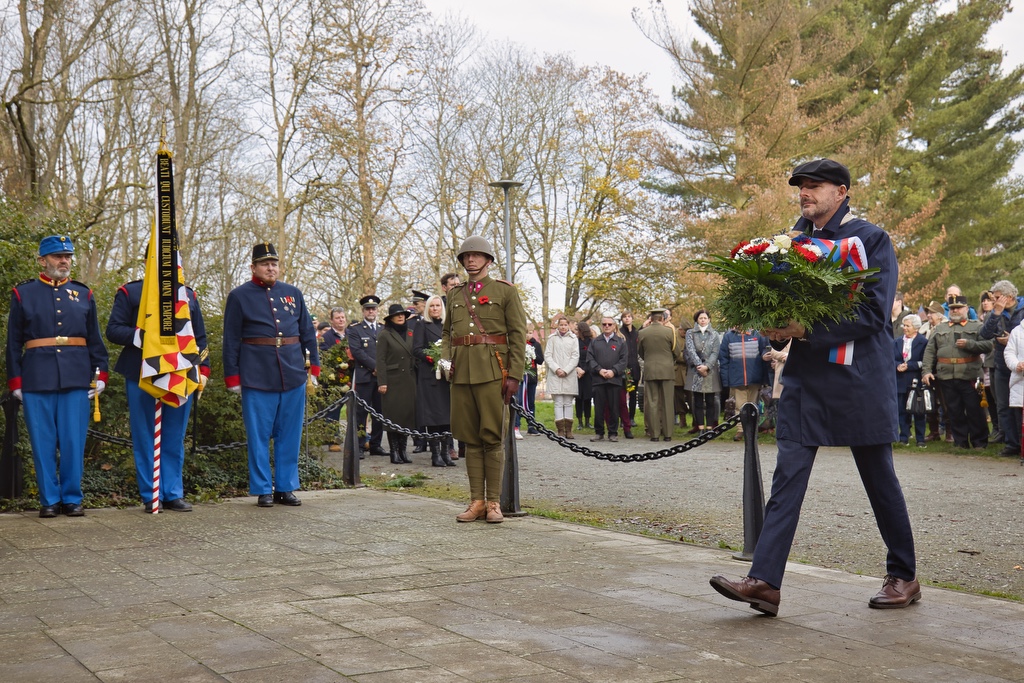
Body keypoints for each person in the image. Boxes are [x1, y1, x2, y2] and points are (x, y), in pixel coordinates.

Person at [710, 158, 919, 616]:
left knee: (878, 478)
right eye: (801, 186)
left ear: (841, 191)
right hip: (807, 380)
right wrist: (776, 328)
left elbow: (872, 315)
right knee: (788, 476)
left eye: (815, 185)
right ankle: (765, 581)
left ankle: (904, 575)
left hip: (859, 378)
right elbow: (782, 308)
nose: (805, 193)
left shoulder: (870, 239)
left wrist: (802, 329)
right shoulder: (790, 243)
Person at [6, 235, 109, 518]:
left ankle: (72, 498)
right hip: (37, 378)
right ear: (42, 260)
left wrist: (100, 375)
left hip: (76, 377)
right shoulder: (23, 294)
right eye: (57, 257)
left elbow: (95, 340)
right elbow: (13, 342)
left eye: (68, 257)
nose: (64, 261)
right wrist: (16, 381)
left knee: (74, 441)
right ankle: (49, 499)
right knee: (43, 443)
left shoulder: (84, 294)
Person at [222, 242, 319, 507]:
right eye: (265, 264)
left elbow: (307, 333)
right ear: (253, 267)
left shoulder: (292, 293)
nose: (270, 268)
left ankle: (285, 487)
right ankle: (263, 488)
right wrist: (232, 376)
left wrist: (314, 369)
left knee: (289, 434)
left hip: (292, 373)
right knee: (259, 434)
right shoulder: (240, 296)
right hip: (256, 374)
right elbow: (230, 339)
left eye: (274, 263)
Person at [106, 274, 210, 512]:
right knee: (145, 436)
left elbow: (199, 337)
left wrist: (204, 368)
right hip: (142, 372)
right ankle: (151, 494)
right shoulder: (131, 293)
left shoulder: (188, 295)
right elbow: (113, 330)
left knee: (174, 436)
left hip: (181, 372)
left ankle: (173, 493)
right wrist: (141, 336)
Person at [441, 236, 527, 524]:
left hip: (493, 371)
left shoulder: (505, 292)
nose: (471, 260)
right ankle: (476, 501)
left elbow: (517, 334)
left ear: (488, 260)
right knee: (469, 438)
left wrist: (514, 374)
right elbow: (446, 333)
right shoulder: (455, 294)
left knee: (492, 437)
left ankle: (493, 503)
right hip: (461, 373)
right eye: (466, 256)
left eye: (477, 256)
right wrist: (445, 361)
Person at [921, 296, 992, 450]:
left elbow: (988, 345)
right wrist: (926, 371)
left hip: (970, 375)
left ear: (967, 309)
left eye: (958, 307)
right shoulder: (940, 328)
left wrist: (970, 344)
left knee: (974, 410)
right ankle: (960, 442)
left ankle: (979, 442)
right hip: (946, 376)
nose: (955, 310)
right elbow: (929, 352)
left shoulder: (977, 326)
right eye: (952, 308)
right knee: (953, 411)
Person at [979, 280, 1024, 457]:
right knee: (1003, 405)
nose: (994, 300)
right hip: (1000, 363)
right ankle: (1011, 443)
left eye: (997, 297)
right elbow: (984, 334)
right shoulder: (997, 312)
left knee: (1019, 405)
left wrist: (1011, 339)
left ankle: (1021, 443)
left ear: (1009, 297)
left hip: (1020, 365)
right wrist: (996, 312)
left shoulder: (1021, 310)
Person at [413, 295, 456, 467]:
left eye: (438, 306)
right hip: (431, 377)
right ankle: (435, 454)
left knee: (447, 417)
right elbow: (416, 349)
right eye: (432, 306)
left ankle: (446, 453)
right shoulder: (421, 325)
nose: (435, 309)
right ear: (427, 309)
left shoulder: (448, 326)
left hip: (447, 377)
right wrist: (432, 356)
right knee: (433, 417)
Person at [376, 304, 417, 465]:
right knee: (394, 417)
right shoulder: (385, 334)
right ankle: (394, 452)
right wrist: (382, 382)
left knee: (406, 416)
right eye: (397, 315)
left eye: (402, 315)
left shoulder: (411, 332)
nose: (400, 317)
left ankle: (403, 450)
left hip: (409, 379)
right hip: (392, 380)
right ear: (390, 318)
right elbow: (380, 360)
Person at [347, 294, 388, 455]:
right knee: (361, 412)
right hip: (365, 376)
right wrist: (375, 366)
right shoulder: (355, 329)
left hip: (381, 378)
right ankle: (359, 445)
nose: (371, 311)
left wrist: (381, 369)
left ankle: (376, 444)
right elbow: (357, 351)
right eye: (368, 309)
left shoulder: (383, 329)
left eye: (373, 308)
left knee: (379, 412)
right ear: (363, 311)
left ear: (378, 310)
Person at [718, 327, 770, 441]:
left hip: (755, 377)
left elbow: (764, 351)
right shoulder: (728, 336)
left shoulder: (757, 335)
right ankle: (741, 430)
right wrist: (726, 380)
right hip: (737, 377)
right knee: (739, 406)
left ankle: (752, 430)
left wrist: (764, 378)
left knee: (753, 406)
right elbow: (724, 359)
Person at [638, 308, 679, 441]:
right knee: (667, 402)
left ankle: (654, 434)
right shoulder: (669, 332)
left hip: (650, 369)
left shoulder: (643, 332)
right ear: (662, 318)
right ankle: (667, 434)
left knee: (652, 402)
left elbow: (640, 352)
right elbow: (676, 351)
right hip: (667, 370)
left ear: (651, 319)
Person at [588, 316, 628, 442]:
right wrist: (599, 370)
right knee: (598, 407)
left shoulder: (620, 342)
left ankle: (613, 432)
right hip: (598, 380)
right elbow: (590, 359)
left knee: (614, 407)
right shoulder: (595, 342)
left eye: (609, 324)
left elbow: (624, 360)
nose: (606, 326)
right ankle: (599, 432)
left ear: (614, 326)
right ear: (601, 325)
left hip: (614, 380)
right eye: (604, 324)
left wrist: (614, 371)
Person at [893, 314, 928, 448]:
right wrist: (897, 365)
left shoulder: (923, 342)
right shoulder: (896, 342)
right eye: (904, 325)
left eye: (908, 325)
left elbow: (925, 361)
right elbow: (891, 358)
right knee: (902, 410)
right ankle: (904, 437)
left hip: (916, 380)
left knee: (918, 411)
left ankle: (920, 439)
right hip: (900, 380)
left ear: (916, 328)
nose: (904, 328)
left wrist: (910, 365)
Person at [685, 310, 721, 433]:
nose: (703, 320)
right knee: (698, 400)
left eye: (705, 318)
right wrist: (699, 366)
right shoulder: (690, 333)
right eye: (700, 318)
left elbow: (715, 352)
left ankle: (710, 428)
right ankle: (700, 428)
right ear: (697, 320)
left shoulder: (714, 334)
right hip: (696, 370)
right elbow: (690, 350)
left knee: (711, 400)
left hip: (710, 371)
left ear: (709, 319)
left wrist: (707, 366)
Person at [545, 315, 580, 439]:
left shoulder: (573, 339)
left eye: (565, 325)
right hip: (556, 375)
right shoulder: (552, 339)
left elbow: (575, 356)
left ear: (568, 325)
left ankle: (568, 430)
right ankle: (560, 430)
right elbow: (548, 355)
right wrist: (557, 369)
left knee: (568, 402)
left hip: (569, 374)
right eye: (561, 325)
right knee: (558, 402)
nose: (563, 327)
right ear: (557, 326)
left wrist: (566, 370)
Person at [979, 291, 1001, 441]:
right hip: (986, 362)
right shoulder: (984, 318)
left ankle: (1002, 429)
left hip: (997, 360)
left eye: (988, 300)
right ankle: (996, 427)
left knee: (999, 398)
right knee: (990, 398)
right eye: (983, 301)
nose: (985, 303)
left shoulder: (997, 316)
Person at [513, 330, 544, 438]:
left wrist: (532, 354)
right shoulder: (518, 343)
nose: (528, 335)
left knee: (530, 402)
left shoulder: (536, 345)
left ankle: (531, 426)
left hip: (531, 378)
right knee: (519, 401)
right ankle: (516, 426)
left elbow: (541, 360)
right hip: (521, 378)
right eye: (525, 332)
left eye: (530, 332)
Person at [1003, 321, 1024, 458]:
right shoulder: (1018, 330)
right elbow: (1009, 353)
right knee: (1020, 420)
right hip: (1020, 381)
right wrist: (1017, 364)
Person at [620, 311, 642, 427]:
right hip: (623, 368)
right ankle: (622, 419)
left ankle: (631, 417)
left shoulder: (636, 333)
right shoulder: (619, 333)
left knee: (633, 394)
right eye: (625, 317)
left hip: (635, 368)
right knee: (622, 395)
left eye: (629, 317)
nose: (627, 319)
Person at [575, 320, 594, 430]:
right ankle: (580, 421)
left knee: (587, 398)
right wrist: (578, 368)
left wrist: (585, 370)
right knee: (578, 398)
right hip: (577, 372)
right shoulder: (575, 341)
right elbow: (573, 355)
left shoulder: (591, 342)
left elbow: (591, 357)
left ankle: (587, 420)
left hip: (588, 373)